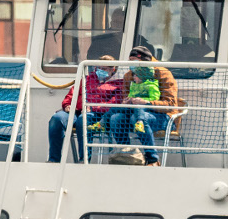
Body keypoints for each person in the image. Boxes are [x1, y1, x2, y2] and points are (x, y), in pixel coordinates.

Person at [47, 35, 125, 163]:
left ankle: (84, 159)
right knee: (57, 119)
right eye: (99, 68)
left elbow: (113, 104)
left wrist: (92, 107)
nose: (100, 71)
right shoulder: (87, 79)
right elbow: (71, 95)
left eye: (104, 69)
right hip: (76, 110)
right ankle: (54, 159)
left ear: (113, 69)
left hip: (97, 115)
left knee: (82, 120)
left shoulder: (118, 84)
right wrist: (67, 105)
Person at [120, 44, 182, 163]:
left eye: (135, 60)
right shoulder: (129, 75)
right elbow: (126, 96)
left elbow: (171, 104)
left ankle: (152, 158)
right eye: (130, 60)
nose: (131, 64)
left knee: (138, 119)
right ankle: (126, 155)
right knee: (116, 118)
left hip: (164, 117)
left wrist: (147, 103)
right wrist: (126, 101)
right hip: (136, 113)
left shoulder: (163, 73)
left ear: (145, 61)